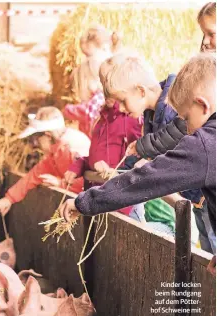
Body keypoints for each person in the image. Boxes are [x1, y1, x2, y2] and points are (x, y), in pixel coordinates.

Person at [59, 53, 216, 243]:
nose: (186, 128)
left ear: (202, 105)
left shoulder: (205, 144)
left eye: (186, 119)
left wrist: (86, 202)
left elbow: (149, 178)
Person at [0, 107, 90, 216]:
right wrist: (9, 199)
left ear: (47, 135)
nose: (35, 144)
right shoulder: (56, 151)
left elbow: (88, 181)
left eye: (36, 138)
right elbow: (36, 174)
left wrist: (60, 183)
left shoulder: (71, 149)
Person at [63, 97, 143, 216]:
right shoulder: (101, 119)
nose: (107, 94)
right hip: (97, 199)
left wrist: (113, 172)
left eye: (111, 90)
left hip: (119, 204)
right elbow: (94, 159)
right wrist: (77, 166)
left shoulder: (131, 119)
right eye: (104, 87)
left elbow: (140, 156)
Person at [64, 25, 121, 139]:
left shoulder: (114, 74)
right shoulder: (101, 68)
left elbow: (88, 111)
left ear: (104, 48)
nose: (86, 60)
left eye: (88, 55)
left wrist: (67, 110)